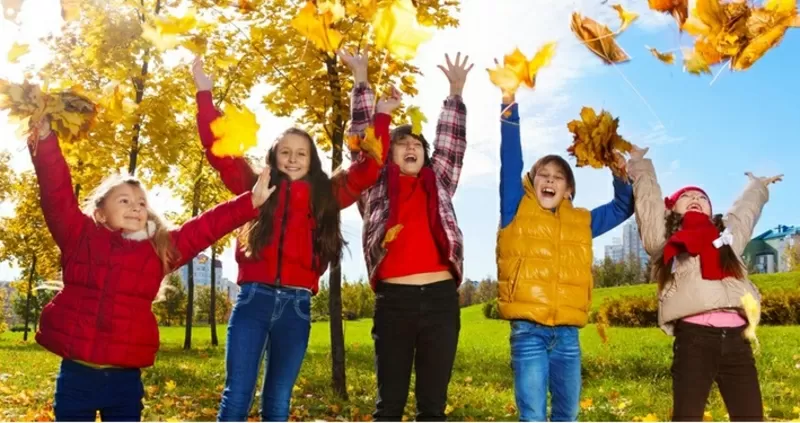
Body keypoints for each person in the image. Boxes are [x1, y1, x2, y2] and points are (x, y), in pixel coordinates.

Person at [26, 114, 271, 422]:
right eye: (125, 201)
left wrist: (250, 203)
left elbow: (204, 228)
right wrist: (46, 139)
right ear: (100, 214)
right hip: (76, 377)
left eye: (141, 203)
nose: (136, 207)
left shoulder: (158, 250)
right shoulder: (79, 238)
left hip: (124, 381)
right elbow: (56, 194)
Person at [191, 57, 397, 421]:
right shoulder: (257, 185)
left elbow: (369, 169)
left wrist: (381, 116)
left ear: (312, 159)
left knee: (278, 400)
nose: (292, 158)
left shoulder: (327, 193)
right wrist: (205, 93)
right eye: (285, 151)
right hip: (253, 299)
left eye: (301, 153)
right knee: (236, 395)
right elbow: (217, 151)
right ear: (273, 155)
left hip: (297, 305)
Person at [341, 48, 472, 422]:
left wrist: (456, 92)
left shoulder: (439, 183)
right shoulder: (375, 187)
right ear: (390, 153)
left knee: (432, 408)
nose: (412, 146)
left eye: (418, 143)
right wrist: (361, 80)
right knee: (390, 406)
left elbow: (451, 142)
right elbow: (363, 143)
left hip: (441, 301)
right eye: (402, 143)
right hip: (394, 302)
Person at [495, 90, 635, 422]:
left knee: (567, 414)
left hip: (568, 336)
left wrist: (620, 177)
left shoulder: (582, 221)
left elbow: (622, 207)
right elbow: (510, 158)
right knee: (532, 415)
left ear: (569, 190)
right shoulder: (515, 207)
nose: (550, 180)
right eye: (543, 175)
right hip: (528, 332)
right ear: (531, 182)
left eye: (558, 177)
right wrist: (508, 102)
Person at [627, 146, 781, 421]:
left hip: (737, 341)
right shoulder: (666, 237)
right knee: (688, 415)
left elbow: (743, 214)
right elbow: (648, 206)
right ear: (671, 208)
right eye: (686, 196)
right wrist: (639, 164)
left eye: (702, 197)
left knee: (750, 416)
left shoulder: (726, 238)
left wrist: (757, 186)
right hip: (694, 340)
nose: (695, 198)